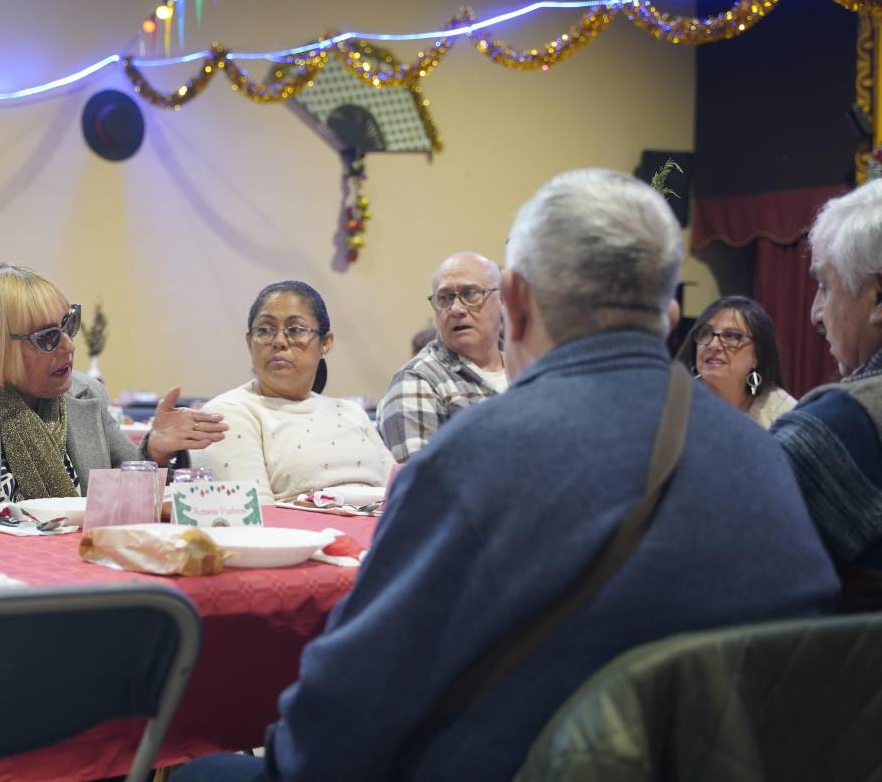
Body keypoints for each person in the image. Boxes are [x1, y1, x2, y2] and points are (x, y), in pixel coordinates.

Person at [172, 170, 838, 782]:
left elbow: (336, 722)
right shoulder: (764, 458)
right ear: (668, 317)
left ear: (512, 302)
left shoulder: (473, 459)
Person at [0, 262, 226, 520]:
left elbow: (125, 495)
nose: (68, 346)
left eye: (69, 325)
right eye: (47, 337)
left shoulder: (85, 395)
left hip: (91, 575)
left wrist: (155, 450)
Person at [190, 280, 394, 504]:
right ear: (250, 342)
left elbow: (401, 491)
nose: (279, 341)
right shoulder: (229, 413)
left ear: (325, 343)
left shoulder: (350, 412)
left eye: (295, 330)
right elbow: (255, 516)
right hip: (304, 536)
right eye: (265, 330)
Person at [772, 180, 882, 570]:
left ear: (878, 299)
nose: (816, 313)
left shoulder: (831, 427)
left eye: (824, 286)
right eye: (709, 335)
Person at [377, 252, 507, 462]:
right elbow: (420, 485)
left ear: (502, 300)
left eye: (470, 293)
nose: (456, 309)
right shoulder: (417, 380)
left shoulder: (528, 368)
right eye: (444, 298)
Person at [674, 295, 796, 427]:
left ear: (758, 355)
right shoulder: (673, 404)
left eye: (731, 335)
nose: (713, 345)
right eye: (705, 333)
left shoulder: (784, 416)